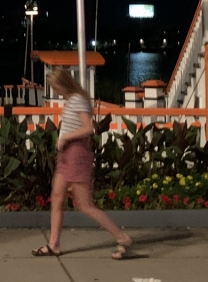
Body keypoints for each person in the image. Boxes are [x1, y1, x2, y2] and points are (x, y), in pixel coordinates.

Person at [32, 68, 133, 260]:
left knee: (85, 205)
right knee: (57, 197)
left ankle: (122, 237)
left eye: (55, 87)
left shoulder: (77, 99)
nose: (55, 90)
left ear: (63, 84)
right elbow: (87, 125)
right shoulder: (73, 100)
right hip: (67, 155)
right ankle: (54, 244)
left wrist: (65, 137)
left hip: (76, 154)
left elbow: (87, 129)